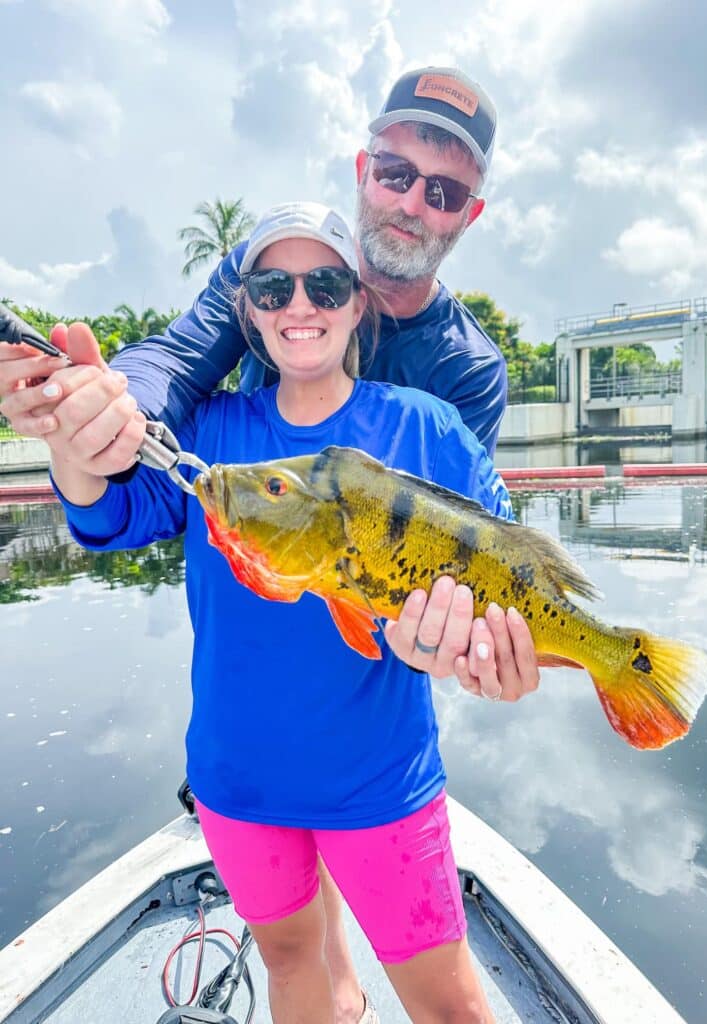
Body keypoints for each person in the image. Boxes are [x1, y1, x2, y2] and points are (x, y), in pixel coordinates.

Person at [0, 67, 540, 1023]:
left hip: (376, 751)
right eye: (394, 171)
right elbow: (140, 445)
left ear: (467, 215)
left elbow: (466, 548)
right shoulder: (220, 431)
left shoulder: (455, 387)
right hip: (245, 764)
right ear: (249, 303)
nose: (412, 200)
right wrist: (89, 427)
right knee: (303, 965)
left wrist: (455, 647)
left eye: (443, 189)